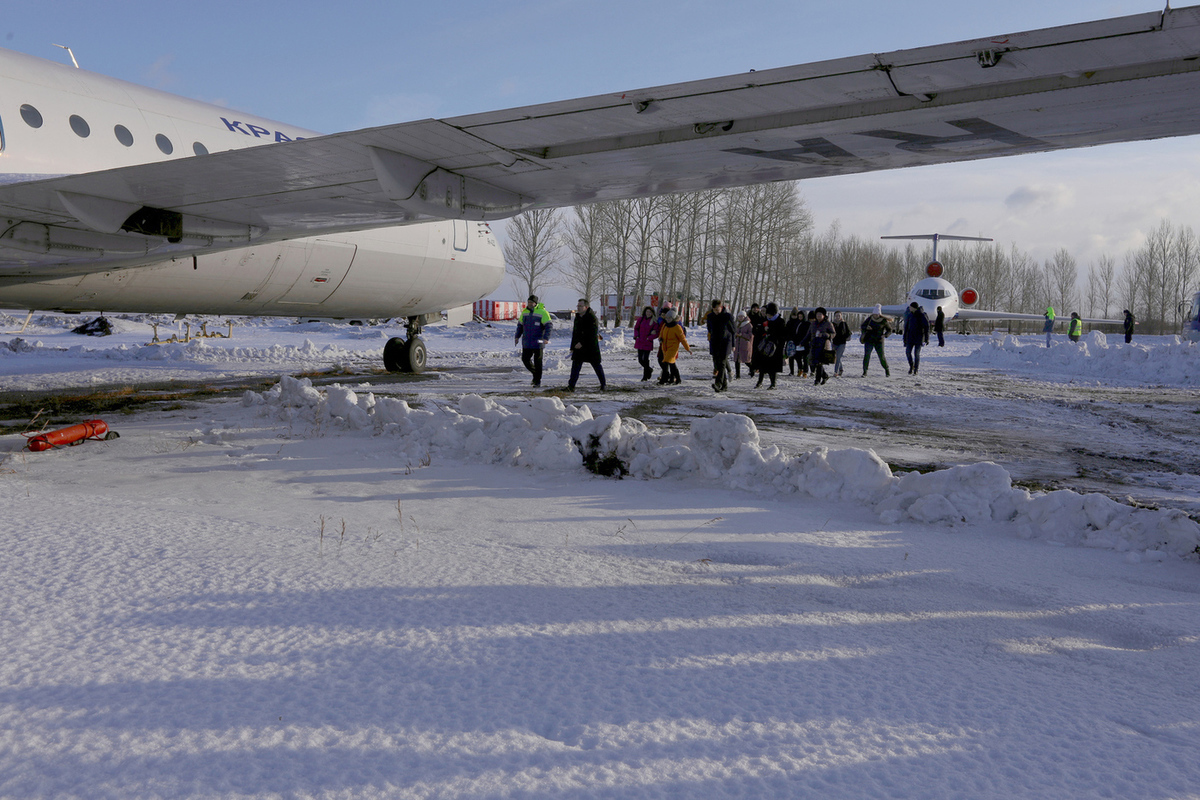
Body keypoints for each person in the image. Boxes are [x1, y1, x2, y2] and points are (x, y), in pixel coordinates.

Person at [566, 298, 606, 391]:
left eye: (580, 306)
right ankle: (571, 386)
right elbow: (575, 333)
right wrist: (572, 346)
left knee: (596, 365)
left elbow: (592, 333)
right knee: (575, 366)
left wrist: (582, 343)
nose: (578, 308)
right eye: (578, 306)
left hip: (590, 346)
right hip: (578, 347)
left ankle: (603, 384)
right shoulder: (577, 317)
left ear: (586, 307)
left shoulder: (592, 317)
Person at [514, 294, 553, 387]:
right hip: (527, 341)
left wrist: (546, 338)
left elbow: (549, 326)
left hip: (538, 342)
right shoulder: (525, 312)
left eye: (531, 302)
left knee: (538, 362)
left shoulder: (543, 312)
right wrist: (517, 337)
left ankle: (537, 381)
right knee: (525, 359)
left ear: (535, 303)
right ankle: (536, 374)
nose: (530, 304)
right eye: (529, 302)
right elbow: (520, 325)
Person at [753, 302, 786, 389]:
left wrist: (770, 331)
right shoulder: (765, 321)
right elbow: (758, 331)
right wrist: (763, 330)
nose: (768, 316)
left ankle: (773, 384)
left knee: (773, 367)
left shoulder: (780, 321)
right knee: (762, 366)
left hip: (775, 348)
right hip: (765, 346)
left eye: (770, 314)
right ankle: (759, 382)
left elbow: (782, 334)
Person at [706, 299, 735, 392]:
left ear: (721, 307)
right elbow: (709, 329)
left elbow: (733, 331)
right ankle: (724, 386)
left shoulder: (727, 316)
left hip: (726, 342)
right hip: (715, 342)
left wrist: (733, 345)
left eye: (717, 310)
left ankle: (718, 383)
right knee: (717, 363)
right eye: (714, 310)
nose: (716, 312)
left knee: (722, 363)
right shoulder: (710, 316)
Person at [802, 307, 836, 385]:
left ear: (823, 315)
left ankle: (817, 380)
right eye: (817, 314)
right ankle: (825, 375)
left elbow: (833, 334)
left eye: (820, 314)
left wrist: (824, 335)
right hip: (814, 345)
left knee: (819, 363)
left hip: (823, 345)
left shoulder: (828, 323)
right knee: (814, 362)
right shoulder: (813, 324)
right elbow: (808, 335)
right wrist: (802, 342)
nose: (819, 316)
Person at [658, 308, 690, 385]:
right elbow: (661, 335)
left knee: (666, 363)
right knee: (672, 364)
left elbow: (683, 339)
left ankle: (663, 380)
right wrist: (660, 339)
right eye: (667, 318)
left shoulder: (677, 327)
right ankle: (678, 379)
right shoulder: (665, 325)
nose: (668, 319)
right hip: (665, 347)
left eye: (670, 318)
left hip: (673, 348)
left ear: (673, 318)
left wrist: (687, 348)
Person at [861, 304, 891, 377]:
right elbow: (862, 326)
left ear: (879, 314)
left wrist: (885, 335)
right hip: (869, 340)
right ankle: (865, 371)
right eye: (874, 314)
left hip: (879, 341)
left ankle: (887, 369)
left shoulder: (883, 321)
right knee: (867, 356)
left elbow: (889, 330)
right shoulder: (870, 319)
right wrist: (866, 327)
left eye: (877, 314)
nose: (875, 316)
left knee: (881, 356)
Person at [633, 306, 660, 381]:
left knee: (645, 359)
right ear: (645, 312)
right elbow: (636, 328)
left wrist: (649, 338)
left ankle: (645, 377)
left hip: (648, 342)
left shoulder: (654, 321)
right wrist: (636, 336)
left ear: (652, 313)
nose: (648, 313)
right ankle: (649, 369)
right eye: (647, 312)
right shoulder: (641, 319)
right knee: (640, 360)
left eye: (650, 312)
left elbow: (657, 333)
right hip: (640, 341)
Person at [903, 301, 930, 375]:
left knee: (916, 354)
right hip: (910, 337)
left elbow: (926, 327)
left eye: (911, 307)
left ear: (914, 308)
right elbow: (906, 327)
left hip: (919, 337)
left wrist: (926, 338)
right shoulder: (910, 315)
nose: (909, 308)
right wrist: (904, 338)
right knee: (908, 352)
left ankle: (916, 369)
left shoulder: (922, 315)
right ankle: (911, 366)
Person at [784, 307, 807, 376]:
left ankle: (800, 369)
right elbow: (786, 331)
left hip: (796, 341)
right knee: (791, 357)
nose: (794, 317)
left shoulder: (799, 323)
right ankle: (792, 371)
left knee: (798, 357)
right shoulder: (789, 322)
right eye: (793, 315)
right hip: (790, 341)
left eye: (795, 315)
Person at [746, 302, 766, 377]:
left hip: (758, 337)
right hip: (750, 337)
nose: (755, 309)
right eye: (754, 308)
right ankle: (752, 368)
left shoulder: (761, 317)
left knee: (756, 353)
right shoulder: (749, 316)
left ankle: (755, 368)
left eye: (757, 308)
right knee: (750, 354)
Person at [734, 311, 754, 379]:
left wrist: (742, 335)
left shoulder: (748, 325)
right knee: (737, 360)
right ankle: (737, 375)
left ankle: (752, 370)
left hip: (745, 344)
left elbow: (751, 336)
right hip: (737, 344)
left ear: (745, 317)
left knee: (746, 360)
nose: (740, 318)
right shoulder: (737, 324)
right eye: (739, 316)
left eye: (742, 316)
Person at [831, 310, 852, 377]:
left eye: (839, 316)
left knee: (837, 357)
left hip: (842, 343)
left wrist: (846, 337)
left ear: (841, 316)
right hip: (834, 342)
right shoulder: (832, 324)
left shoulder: (844, 323)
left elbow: (848, 332)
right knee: (837, 357)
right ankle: (841, 369)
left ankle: (835, 372)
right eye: (836, 315)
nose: (837, 317)